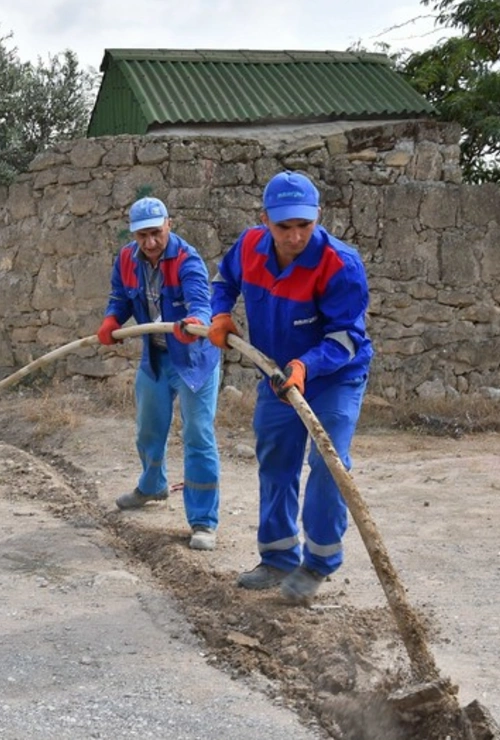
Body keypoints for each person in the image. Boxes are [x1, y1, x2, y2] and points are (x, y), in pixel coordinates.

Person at [207, 171, 373, 602]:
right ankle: (278, 557)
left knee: (327, 467)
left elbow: (345, 337)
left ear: (318, 216)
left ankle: (318, 564)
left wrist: (307, 364)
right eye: (284, 227)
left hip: (335, 378)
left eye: (305, 225)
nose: (295, 236)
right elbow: (223, 282)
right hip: (278, 376)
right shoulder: (248, 247)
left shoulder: (341, 264)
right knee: (276, 460)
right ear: (264, 219)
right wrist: (220, 314)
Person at [96, 197, 222, 551]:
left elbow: (201, 301)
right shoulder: (126, 259)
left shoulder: (187, 259)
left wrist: (196, 322)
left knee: (197, 434)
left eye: (156, 232)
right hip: (155, 357)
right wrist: (111, 320)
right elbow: (119, 297)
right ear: (133, 235)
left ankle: (203, 522)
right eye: (142, 236)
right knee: (148, 428)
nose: (150, 242)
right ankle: (152, 486)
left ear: (169, 223)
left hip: (193, 359)